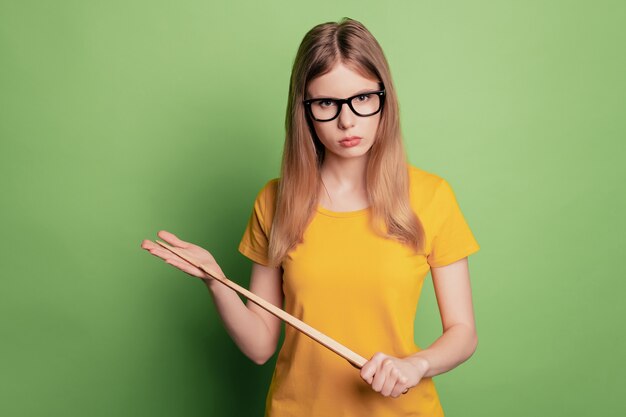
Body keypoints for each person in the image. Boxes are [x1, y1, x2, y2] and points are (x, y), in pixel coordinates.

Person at [141, 17, 480, 417]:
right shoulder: (276, 200)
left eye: (363, 98)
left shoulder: (431, 197)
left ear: (384, 98)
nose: (347, 120)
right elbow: (260, 346)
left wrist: (416, 365)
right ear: (304, 109)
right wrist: (217, 282)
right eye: (326, 104)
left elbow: (463, 333)